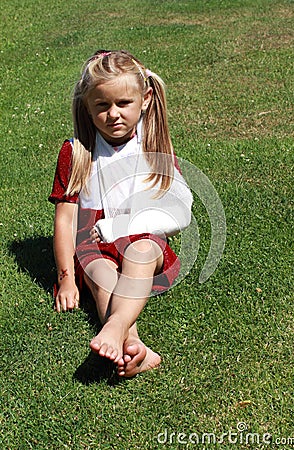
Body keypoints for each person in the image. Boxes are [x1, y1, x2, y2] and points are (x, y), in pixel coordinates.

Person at [49, 49, 193, 377]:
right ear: (87, 107)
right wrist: (67, 279)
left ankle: (114, 327)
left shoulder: (154, 147)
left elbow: (178, 212)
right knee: (102, 277)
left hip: (142, 237)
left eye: (123, 104)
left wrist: (125, 226)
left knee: (141, 254)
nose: (113, 114)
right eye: (102, 106)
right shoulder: (76, 152)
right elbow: (66, 220)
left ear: (145, 99)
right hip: (93, 241)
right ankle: (135, 349)